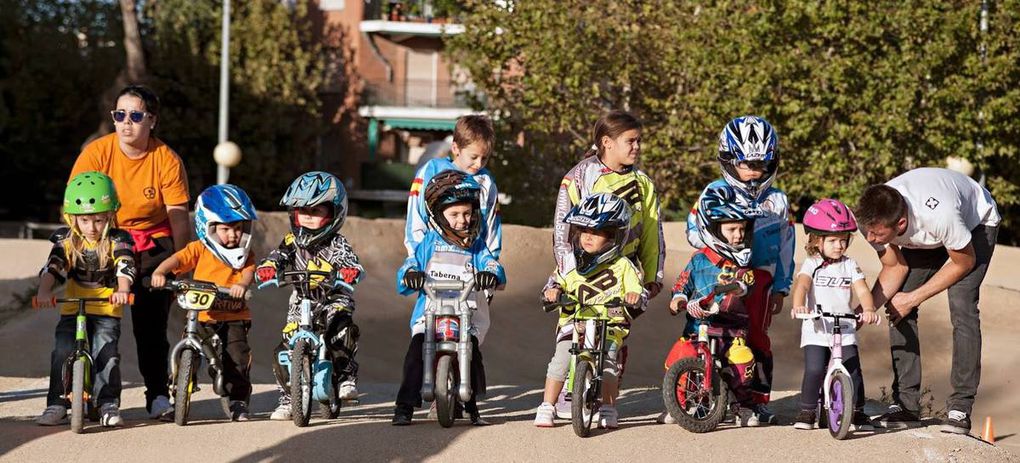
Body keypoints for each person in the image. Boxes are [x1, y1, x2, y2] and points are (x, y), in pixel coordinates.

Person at [69, 85, 190, 418]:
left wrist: (181, 264)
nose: (126, 123)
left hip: (153, 244)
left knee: (150, 326)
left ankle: (158, 396)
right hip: (105, 240)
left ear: (151, 120)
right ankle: (93, 397)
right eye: (119, 115)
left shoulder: (166, 159)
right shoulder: (96, 153)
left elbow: (178, 217)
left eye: (135, 116)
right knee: (97, 322)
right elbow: (75, 205)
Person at [855, 167, 999, 434]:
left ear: (899, 226)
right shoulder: (874, 219)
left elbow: (963, 262)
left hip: (975, 223)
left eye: (877, 235)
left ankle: (960, 408)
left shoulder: (939, 216)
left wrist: (914, 297)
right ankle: (906, 406)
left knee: (962, 306)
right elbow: (894, 268)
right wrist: (864, 310)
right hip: (928, 236)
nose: (871, 239)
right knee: (897, 305)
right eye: (868, 232)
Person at [552, 110, 665, 416]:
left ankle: (603, 396)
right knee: (571, 331)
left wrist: (652, 274)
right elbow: (562, 230)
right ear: (607, 142)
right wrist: (568, 271)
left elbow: (653, 231)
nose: (637, 147)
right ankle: (568, 389)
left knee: (615, 334)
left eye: (639, 140)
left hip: (621, 272)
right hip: (582, 269)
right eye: (631, 140)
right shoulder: (578, 176)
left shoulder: (643, 183)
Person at [685, 115, 794, 424]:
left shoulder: (778, 201)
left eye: (761, 165)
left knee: (755, 338)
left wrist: (782, 286)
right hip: (718, 272)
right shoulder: (714, 192)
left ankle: (755, 400)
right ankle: (695, 395)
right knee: (701, 333)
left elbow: (787, 244)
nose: (753, 172)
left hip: (760, 279)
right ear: (729, 160)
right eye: (746, 164)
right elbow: (692, 231)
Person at [392, 171, 505, 426]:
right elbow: (409, 265)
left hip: (465, 313)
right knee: (415, 353)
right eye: (454, 214)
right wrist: (410, 275)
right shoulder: (429, 243)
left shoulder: (475, 245)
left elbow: (491, 263)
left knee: (472, 352)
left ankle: (472, 406)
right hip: (430, 313)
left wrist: (490, 273)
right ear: (438, 214)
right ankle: (404, 407)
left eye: (466, 213)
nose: (462, 220)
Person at [255, 172, 365, 421]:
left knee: (341, 330)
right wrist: (268, 268)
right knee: (284, 346)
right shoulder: (291, 242)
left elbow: (350, 261)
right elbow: (277, 257)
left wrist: (349, 271)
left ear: (334, 213)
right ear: (293, 213)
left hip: (333, 300)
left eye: (316, 211)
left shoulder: (337, 243)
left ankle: (346, 376)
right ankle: (288, 398)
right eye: (303, 211)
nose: (309, 217)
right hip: (301, 302)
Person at [534, 193, 646, 429]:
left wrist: (634, 297)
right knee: (560, 360)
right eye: (583, 230)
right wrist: (552, 292)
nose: (587, 237)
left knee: (608, 364)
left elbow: (639, 294)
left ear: (615, 235)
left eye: (597, 232)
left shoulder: (624, 266)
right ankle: (547, 405)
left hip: (610, 325)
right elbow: (554, 283)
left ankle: (607, 407)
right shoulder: (568, 262)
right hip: (574, 323)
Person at [35, 172, 136, 427]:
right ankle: (57, 404)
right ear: (73, 219)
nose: (92, 227)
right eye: (85, 220)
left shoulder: (117, 240)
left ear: (110, 216)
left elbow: (125, 265)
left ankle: (107, 403)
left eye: (99, 220)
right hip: (72, 308)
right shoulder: (67, 242)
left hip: (106, 309)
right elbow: (53, 267)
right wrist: (44, 292)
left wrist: (123, 288)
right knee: (62, 351)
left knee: (107, 353)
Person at [150, 184, 258, 421]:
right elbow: (177, 259)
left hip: (233, 316)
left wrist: (241, 285)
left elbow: (249, 273)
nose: (233, 235)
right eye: (226, 229)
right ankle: (179, 394)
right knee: (184, 354)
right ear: (208, 226)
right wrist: (160, 272)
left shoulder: (245, 254)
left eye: (238, 228)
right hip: (202, 316)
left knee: (237, 358)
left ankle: (238, 401)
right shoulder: (199, 249)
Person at [666, 184, 770, 426]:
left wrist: (737, 287)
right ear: (714, 229)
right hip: (697, 330)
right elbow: (682, 284)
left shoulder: (743, 264)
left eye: (742, 229)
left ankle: (742, 406)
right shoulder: (699, 259)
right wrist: (679, 300)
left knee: (742, 362)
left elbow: (747, 284)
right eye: (732, 229)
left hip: (731, 332)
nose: (738, 235)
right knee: (681, 355)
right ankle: (678, 402)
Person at [789, 199, 880, 431]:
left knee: (853, 370)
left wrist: (868, 309)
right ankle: (808, 410)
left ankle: (857, 412)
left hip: (845, 327)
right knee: (815, 369)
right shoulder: (812, 263)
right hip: (817, 327)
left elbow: (862, 290)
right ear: (816, 241)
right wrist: (799, 305)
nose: (839, 246)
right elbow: (802, 286)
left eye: (843, 240)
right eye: (832, 240)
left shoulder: (850, 264)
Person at [405, 115, 501, 263]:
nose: (479, 164)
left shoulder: (487, 182)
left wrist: (491, 265)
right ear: (456, 148)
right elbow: (416, 218)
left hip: (473, 265)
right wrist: (416, 261)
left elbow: (492, 226)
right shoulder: (430, 171)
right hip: (433, 263)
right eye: (473, 157)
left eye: (485, 158)